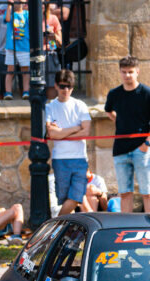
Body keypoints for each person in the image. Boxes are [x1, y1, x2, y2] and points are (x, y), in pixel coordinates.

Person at [105, 56, 150, 213]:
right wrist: (120, 121)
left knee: (148, 192)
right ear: (119, 72)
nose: (127, 75)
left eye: (130, 72)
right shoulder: (114, 94)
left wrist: (147, 144)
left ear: (137, 72)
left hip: (142, 149)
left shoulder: (147, 93)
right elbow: (109, 111)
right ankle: (126, 225)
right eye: (124, 72)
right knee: (124, 193)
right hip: (120, 149)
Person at [46, 69, 91, 216]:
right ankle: (63, 226)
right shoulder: (50, 107)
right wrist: (76, 128)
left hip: (80, 158)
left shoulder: (80, 105)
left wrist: (62, 133)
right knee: (64, 199)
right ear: (56, 85)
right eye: (62, 86)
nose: (66, 90)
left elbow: (86, 132)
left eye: (69, 87)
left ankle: (56, 224)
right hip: (60, 159)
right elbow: (52, 134)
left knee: (76, 197)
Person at [4, 1, 30, 99]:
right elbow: (7, 19)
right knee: (10, 70)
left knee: (25, 71)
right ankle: (8, 92)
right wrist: (9, 5)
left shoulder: (26, 13)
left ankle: (26, 91)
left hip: (24, 46)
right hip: (12, 46)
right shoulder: (10, 13)